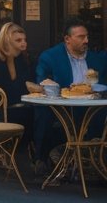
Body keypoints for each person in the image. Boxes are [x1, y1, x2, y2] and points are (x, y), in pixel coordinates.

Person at [34, 16, 107, 165]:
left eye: (87, 36)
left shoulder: (97, 59)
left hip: (92, 108)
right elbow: (42, 83)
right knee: (43, 114)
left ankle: (95, 162)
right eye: (81, 37)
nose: (86, 40)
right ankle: (42, 161)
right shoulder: (50, 57)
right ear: (67, 39)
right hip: (63, 108)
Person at [0, 22, 35, 154]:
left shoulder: (22, 57)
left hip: (20, 103)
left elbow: (28, 80)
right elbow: (2, 89)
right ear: (7, 41)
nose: (24, 43)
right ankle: (28, 156)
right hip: (2, 108)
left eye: (25, 40)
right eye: (18, 40)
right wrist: (27, 87)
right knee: (38, 116)